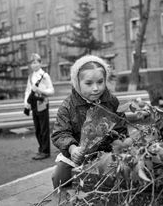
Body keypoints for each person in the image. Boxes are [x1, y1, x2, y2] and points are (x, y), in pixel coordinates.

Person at [51, 55, 128, 189]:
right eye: (88, 83)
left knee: (113, 178)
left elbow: (121, 128)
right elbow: (60, 133)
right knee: (60, 179)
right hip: (76, 156)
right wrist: (73, 148)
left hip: (105, 153)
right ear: (77, 82)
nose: (96, 88)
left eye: (100, 82)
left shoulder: (111, 102)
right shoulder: (68, 106)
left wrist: (118, 144)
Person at [24, 53, 54, 160]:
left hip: (42, 103)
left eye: (36, 62)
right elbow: (28, 91)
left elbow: (51, 90)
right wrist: (26, 104)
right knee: (37, 129)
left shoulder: (45, 75)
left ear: (40, 63)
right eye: (32, 63)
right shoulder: (30, 76)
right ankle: (41, 149)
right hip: (33, 104)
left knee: (44, 129)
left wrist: (40, 90)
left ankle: (45, 152)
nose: (34, 65)